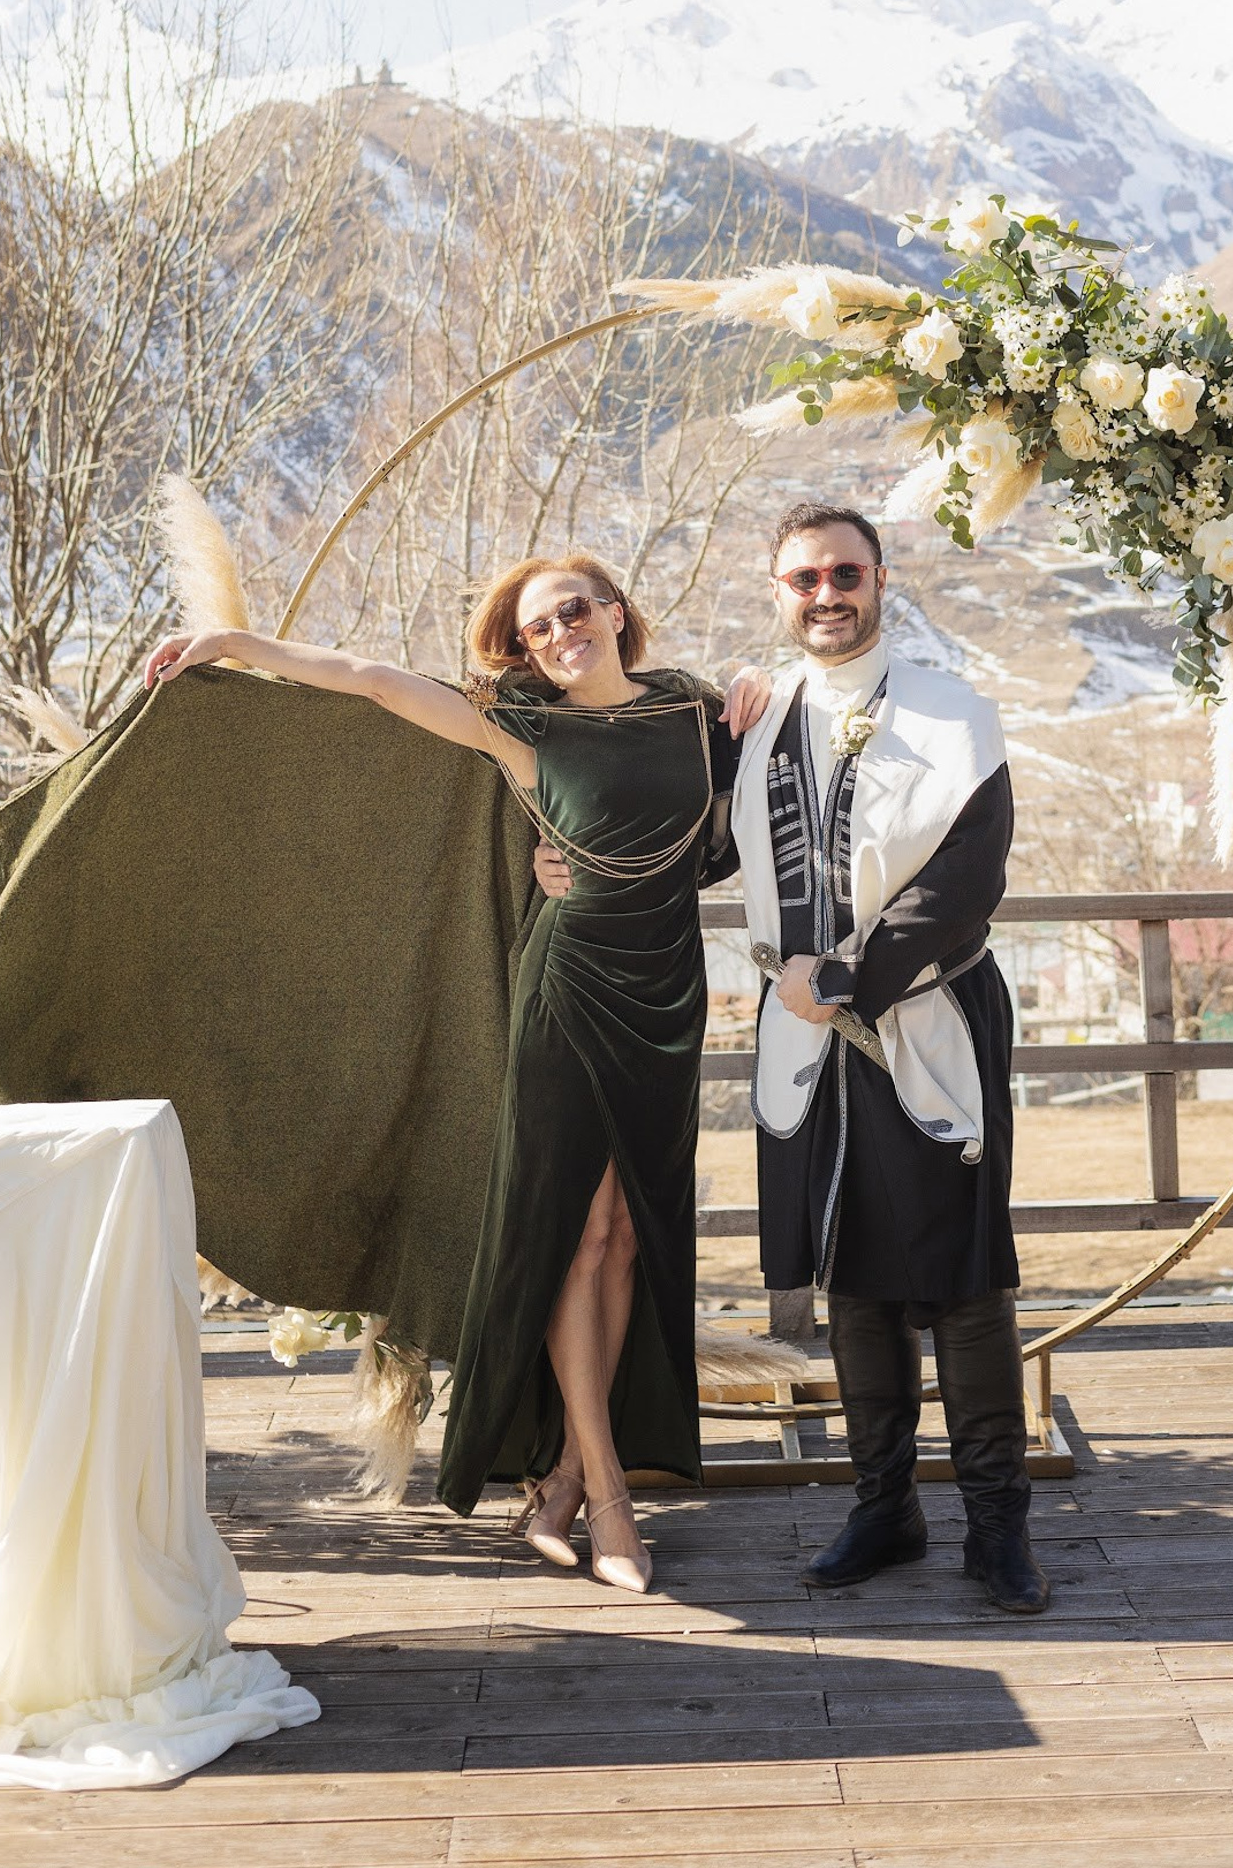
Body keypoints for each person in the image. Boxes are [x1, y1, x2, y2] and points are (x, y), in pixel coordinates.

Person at [144, 555, 762, 1595]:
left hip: (668, 1000)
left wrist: (759, 692)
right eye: (534, 631)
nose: (557, 635)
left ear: (615, 611)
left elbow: (736, 818)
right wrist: (239, 645)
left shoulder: (696, 714)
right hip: (569, 992)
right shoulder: (526, 729)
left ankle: (566, 1476)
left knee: (627, 1237)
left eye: (573, 611)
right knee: (575, 1235)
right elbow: (374, 680)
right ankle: (610, 1492)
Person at [735, 499, 1047, 1614]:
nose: (826, 594)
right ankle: (886, 1508)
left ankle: (997, 1524)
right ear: (779, 593)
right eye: (804, 579)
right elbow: (678, 832)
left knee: (963, 1276)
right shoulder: (753, 718)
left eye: (845, 574)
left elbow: (968, 875)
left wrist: (849, 976)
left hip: (927, 1016)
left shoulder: (954, 714)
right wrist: (559, 863)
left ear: (880, 579)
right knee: (851, 1271)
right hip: (804, 1032)